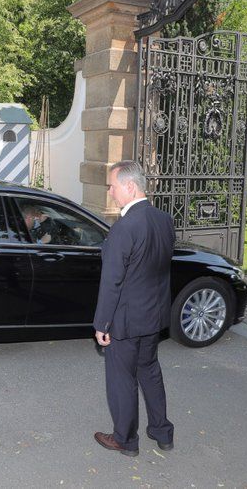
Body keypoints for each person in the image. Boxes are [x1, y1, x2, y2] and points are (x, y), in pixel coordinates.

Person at [93, 160, 175, 457]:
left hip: (125, 322)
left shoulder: (124, 228)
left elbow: (111, 282)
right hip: (153, 318)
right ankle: (162, 432)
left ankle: (125, 440)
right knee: (150, 372)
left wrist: (102, 324)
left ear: (130, 186)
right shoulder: (164, 220)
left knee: (122, 380)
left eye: (112, 186)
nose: (110, 192)